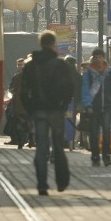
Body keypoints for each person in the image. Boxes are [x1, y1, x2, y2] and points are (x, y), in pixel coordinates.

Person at [20, 31, 74, 196]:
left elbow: (23, 92)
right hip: (56, 111)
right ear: (53, 44)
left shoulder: (30, 65)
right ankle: (61, 182)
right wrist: (63, 106)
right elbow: (69, 88)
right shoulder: (61, 65)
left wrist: (31, 109)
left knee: (41, 148)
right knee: (58, 147)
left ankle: (42, 184)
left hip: (39, 111)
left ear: (40, 43)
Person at [82, 48, 111, 167]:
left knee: (106, 132)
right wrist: (87, 105)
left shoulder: (110, 73)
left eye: (100, 57)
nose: (98, 59)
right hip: (94, 107)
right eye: (96, 57)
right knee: (94, 134)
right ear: (93, 59)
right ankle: (95, 157)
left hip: (107, 107)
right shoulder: (88, 73)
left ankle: (106, 156)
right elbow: (85, 90)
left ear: (104, 58)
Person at [4, 58, 29, 148]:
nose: (19, 66)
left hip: (18, 103)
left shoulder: (17, 76)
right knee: (27, 122)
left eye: (21, 64)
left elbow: (11, 89)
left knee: (17, 121)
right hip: (29, 103)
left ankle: (19, 141)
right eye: (18, 64)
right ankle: (28, 140)